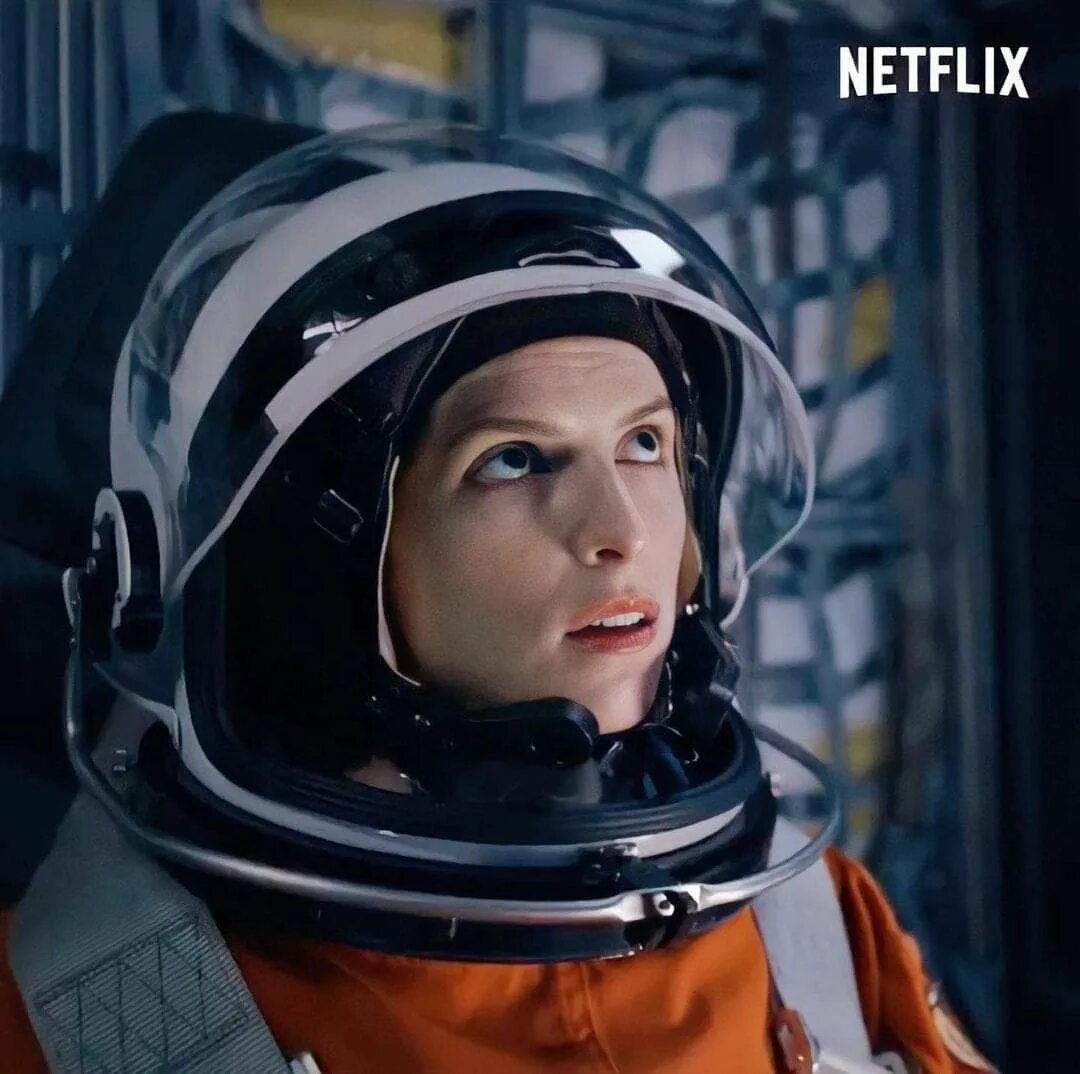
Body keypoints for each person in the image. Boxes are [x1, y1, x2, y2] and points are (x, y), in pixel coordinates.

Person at [0, 124, 995, 1074]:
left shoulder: (817, 937)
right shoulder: (84, 1023)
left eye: (643, 443)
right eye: (516, 459)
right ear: (313, 577)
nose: (620, 532)